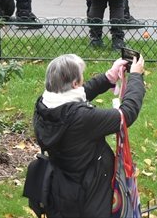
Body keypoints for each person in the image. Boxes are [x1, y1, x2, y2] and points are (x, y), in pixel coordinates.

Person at [32, 52, 146, 218]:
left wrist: (109, 77)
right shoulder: (81, 118)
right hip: (90, 195)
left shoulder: (44, 105)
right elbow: (126, 115)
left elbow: (76, 93)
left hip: (62, 192)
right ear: (75, 82)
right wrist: (136, 76)